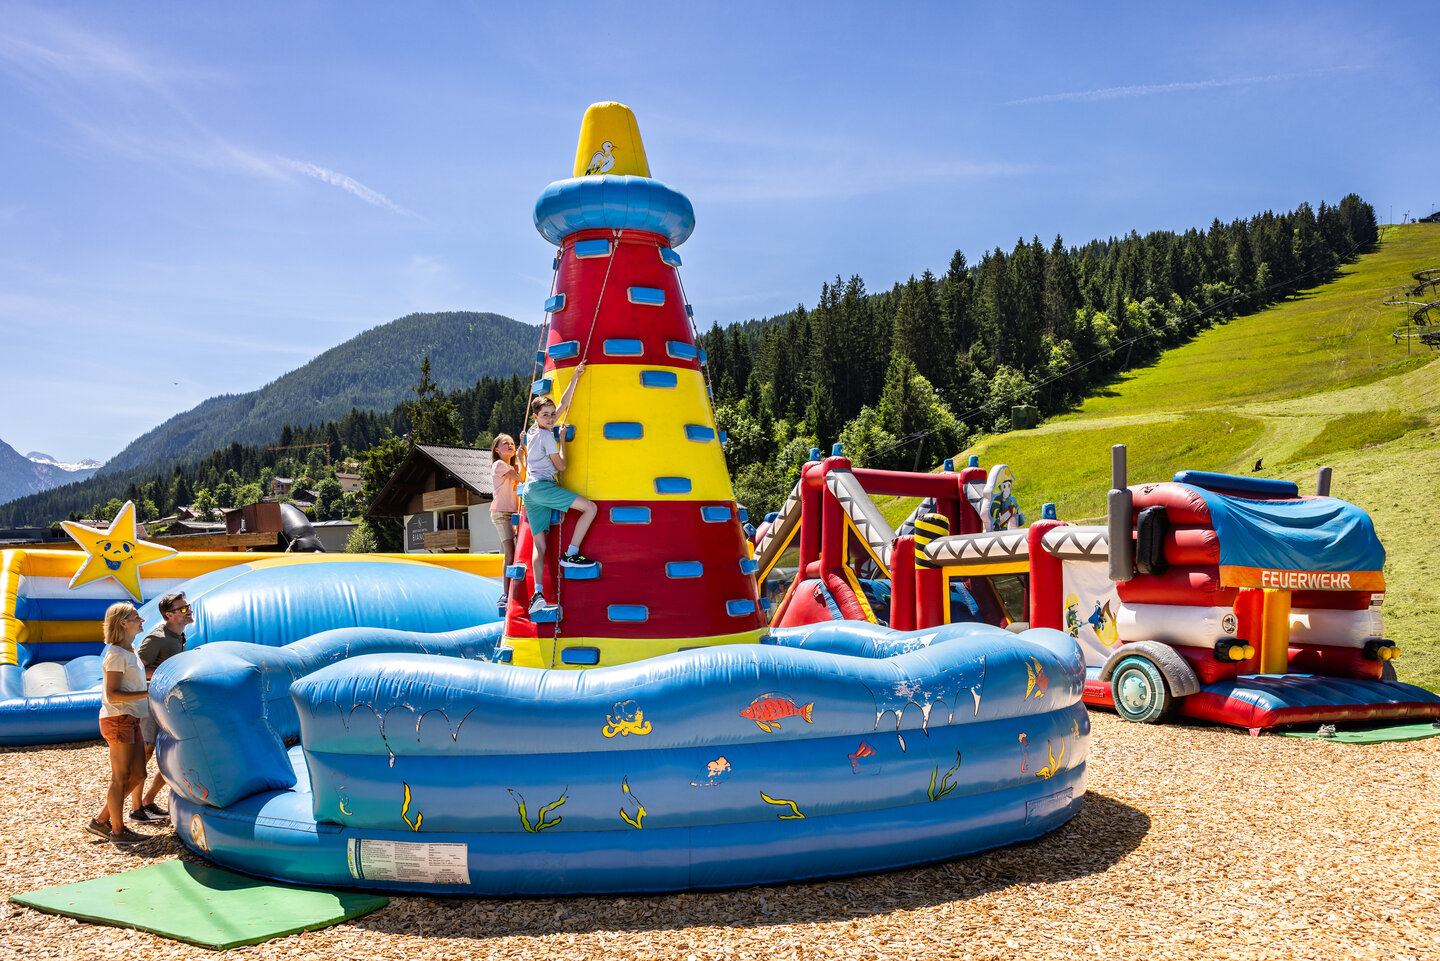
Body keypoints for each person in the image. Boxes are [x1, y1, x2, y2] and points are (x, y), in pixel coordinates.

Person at [522, 362, 598, 614]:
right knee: (590, 508)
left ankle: (537, 596)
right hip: (543, 487)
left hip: (530, 492)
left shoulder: (533, 431)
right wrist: (562, 440)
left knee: (539, 546)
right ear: (536, 416)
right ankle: (572, 554)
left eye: (552, 414)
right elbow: (562, 466)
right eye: (546, 415)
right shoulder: (546, 437)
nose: (551, 417)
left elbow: (563, 405)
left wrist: (575, 376)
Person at [85, 603, 151, 845]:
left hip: (131, 718)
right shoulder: (115, 654)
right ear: (123, 623)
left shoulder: (129, 650)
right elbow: (113, 694)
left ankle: (101, 821)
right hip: (118, 718)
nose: (141, 619)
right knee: (121, 777)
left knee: (139, 774)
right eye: (136, 617)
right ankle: (118, 831)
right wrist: (147, 692)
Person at [129, 592, 193, 823]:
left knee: (173, 753)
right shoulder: (157, 637)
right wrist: (167, 675)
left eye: (188, 606)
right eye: (183, 608)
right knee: (145, 753)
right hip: (150, 702)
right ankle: (136, 808)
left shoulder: (179, 635)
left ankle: (148, 801)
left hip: (167, 701)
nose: (189, 611)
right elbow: (136, 669)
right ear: (169, 614)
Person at [490, 434, 520, 610]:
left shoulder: (509, 465)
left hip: (512, 512)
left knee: (516, 551)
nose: (509, 445)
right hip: (502, 513)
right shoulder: (499, 465)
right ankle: (505, 593)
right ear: (497, 450)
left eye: (512, 443)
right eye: (505, 444)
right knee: (509, 552)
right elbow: (521, 477)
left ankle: (512, 589)